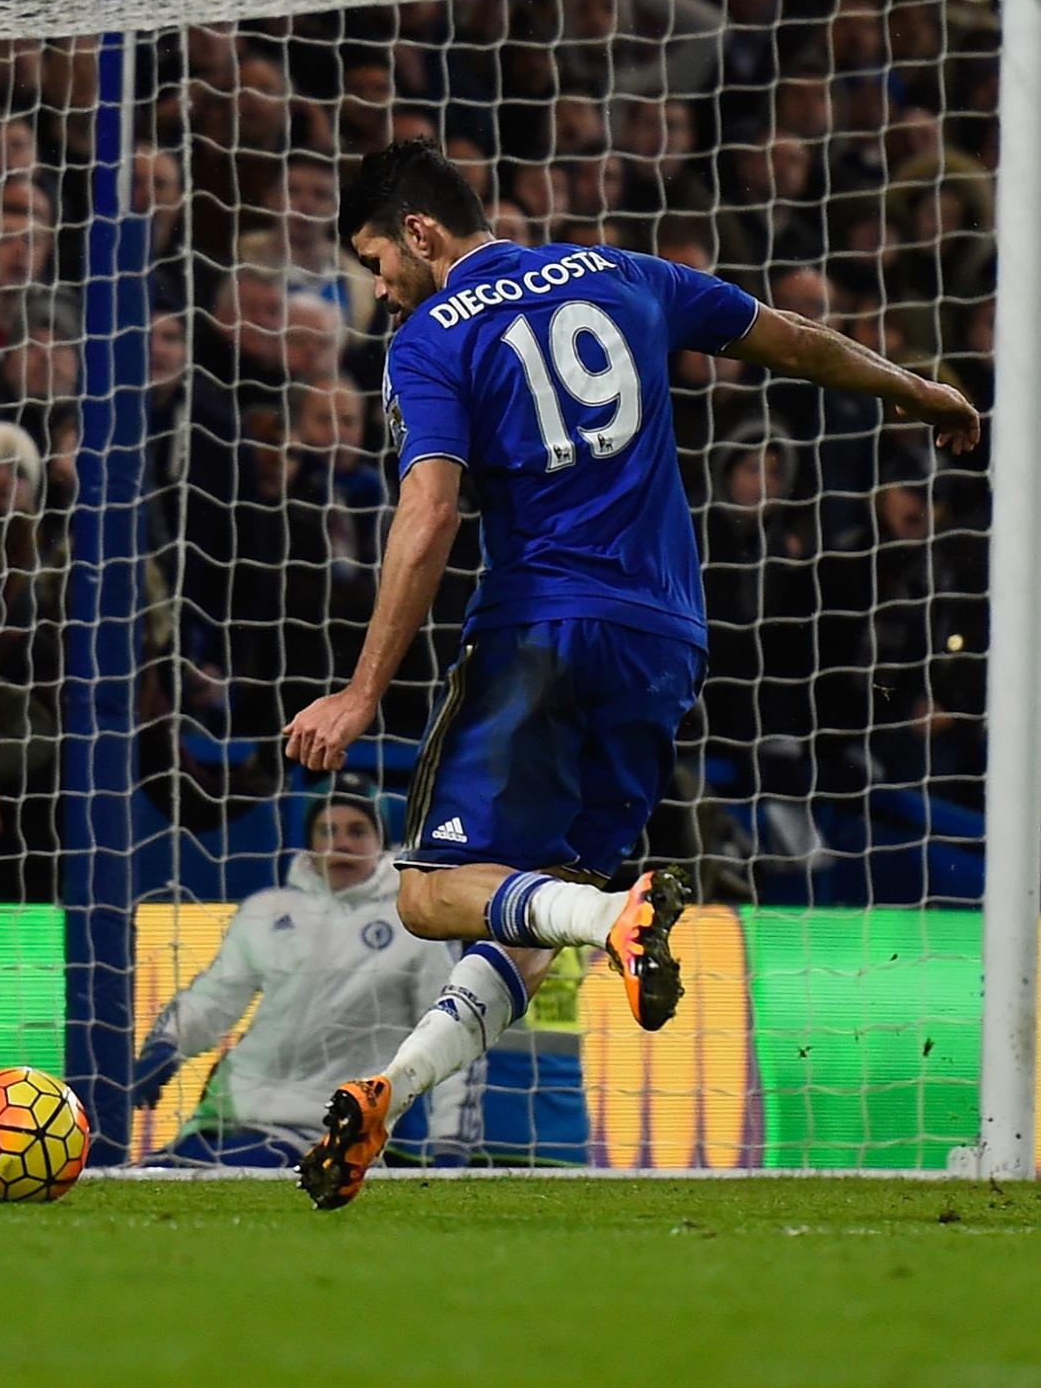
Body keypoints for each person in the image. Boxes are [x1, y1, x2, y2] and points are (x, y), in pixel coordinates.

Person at [283, 140, 979, 1210]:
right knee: (532, 910)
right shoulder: (624, 272)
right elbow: (788, 341)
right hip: (664, 641)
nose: (378, 287)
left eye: (377, 259)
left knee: (428, 895)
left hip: (539, 630)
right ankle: (391, 1090)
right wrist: (917, 388)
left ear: (420, 233)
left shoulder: (432, 337)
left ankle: (615, 921)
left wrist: (362, 690)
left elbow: (426, 514)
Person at [131, 780, 477, 1170]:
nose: (339, 844)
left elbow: (452, 1034)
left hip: (322, 1135)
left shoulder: (413, 925)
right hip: (218, 1122)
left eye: (356, 831)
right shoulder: (268, 911)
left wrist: (450, 1141)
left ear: (381, 841)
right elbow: (215, 999)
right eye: (326, 831)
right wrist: (166, 1047)